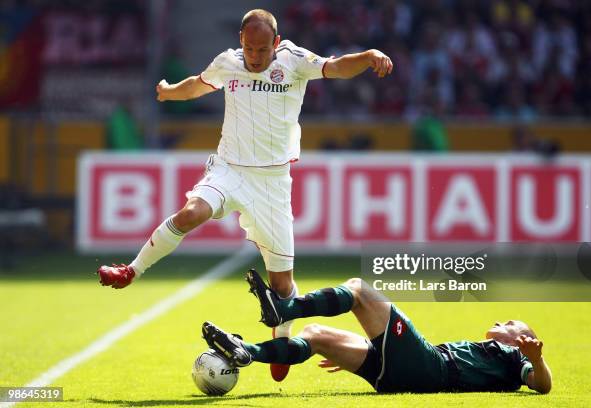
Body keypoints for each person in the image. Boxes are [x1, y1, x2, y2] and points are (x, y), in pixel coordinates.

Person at [96, 9, 393, 383]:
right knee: (191, 213)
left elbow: (336, 67)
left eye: (262, 49)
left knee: (282, 285)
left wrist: (366, 58)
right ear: (241, 41)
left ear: (276, 42)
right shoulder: (228, 63)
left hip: (271, 182)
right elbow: (198, 84)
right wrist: (171, 92)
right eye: (249, 48)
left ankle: (281, 334)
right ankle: (132, 270)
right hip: (229, 170)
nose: (255, 56)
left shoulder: (295, 61)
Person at [201, 269, 552, 394]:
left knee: (359, 289)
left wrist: (537, 360)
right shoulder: (491, 355)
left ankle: (284, 308)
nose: (503, 323)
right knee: (317, 334)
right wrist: (379, 352)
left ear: (520, 342)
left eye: (511, 325)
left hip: (432, 368)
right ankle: (248, 352)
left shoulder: (512, 359)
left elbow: (542, 386)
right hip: (398, 376)